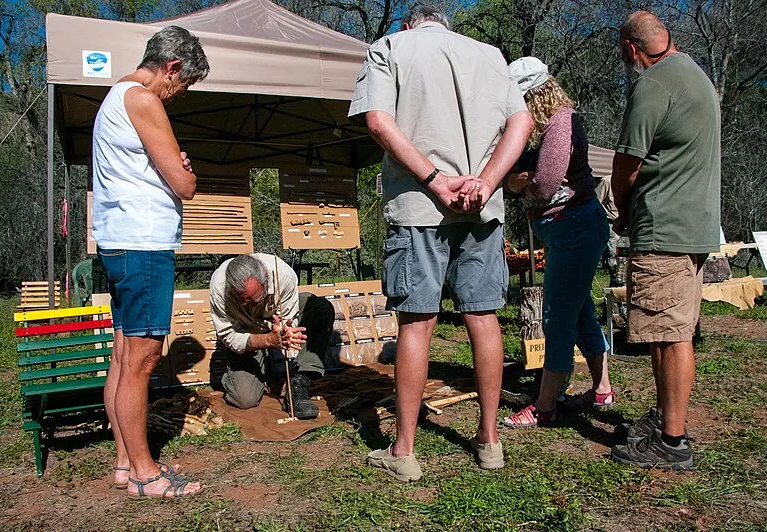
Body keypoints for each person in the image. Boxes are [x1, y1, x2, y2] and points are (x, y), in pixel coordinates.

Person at [348, 5, 533, 481]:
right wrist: (487, 181)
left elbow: (378, 122)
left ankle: (404, 451)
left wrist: (435, 180)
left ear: (409, 23)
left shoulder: (391, 46)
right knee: (483, 316)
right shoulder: (490, 55)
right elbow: (523, 123)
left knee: (417, 322)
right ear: (445, 24)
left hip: (419, 206)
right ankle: (489, 441)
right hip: (481, 206)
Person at [93, 26, 209, 499]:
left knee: (124, 357)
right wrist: (185, 173)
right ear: (172, 67)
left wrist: (171, 165)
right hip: (142, 243)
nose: (179, 94)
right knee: (143, 361)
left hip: (120, 241)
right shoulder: (142, 99)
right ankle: (146, 474)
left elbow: (150, 167)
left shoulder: (115, 97)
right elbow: (184, 185)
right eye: (183, 84)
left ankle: (126, 462)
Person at [609, 11, 721, 470]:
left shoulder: (653, 83)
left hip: (665, 226)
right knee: (664, 330)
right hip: (692, 225)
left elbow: (627, 162)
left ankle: (672, 441)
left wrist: (621, 207)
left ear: (631, 49)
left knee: (671, 334)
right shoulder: (694, 74)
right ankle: (662, 418)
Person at [501, 57, 615, 429]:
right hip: (565, 229)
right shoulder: (542, 127)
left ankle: (545, 405)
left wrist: (521, 181)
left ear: (534, 94)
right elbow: (511, 181)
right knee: (579, 312)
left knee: (556, 318)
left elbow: (546, 183)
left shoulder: (560, 121)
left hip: (574, 226)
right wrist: (517, 181)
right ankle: (601, 390)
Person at [209, 254, 334, 419]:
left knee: (320, 308)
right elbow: (229, 335)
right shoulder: (219, 288)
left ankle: (299, 380)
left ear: (265, 279)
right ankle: (253, 373)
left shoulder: (284, 275)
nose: (251, 305)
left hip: (275, 320)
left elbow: (289, 322)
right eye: (244, 301)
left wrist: (285, 335)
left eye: (255, 300)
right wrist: (268, 340)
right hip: (246, 332)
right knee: (245, 399)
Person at [594, 174, 622, 286]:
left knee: (625, 257)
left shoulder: (633, 180)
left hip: (628, 225)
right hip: (611, 223)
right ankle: (615, 286)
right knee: (613, 256)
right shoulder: (607, 181)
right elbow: (596, 202)